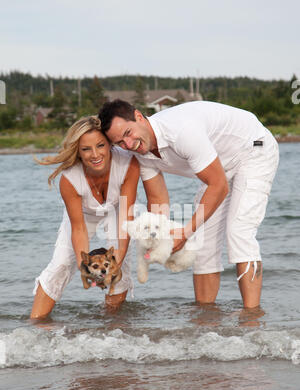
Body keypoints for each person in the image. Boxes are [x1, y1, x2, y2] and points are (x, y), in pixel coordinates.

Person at [98, 99, 279, 309]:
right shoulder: (140, 151)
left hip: (253, 150)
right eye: (120, 143)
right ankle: (205, 320)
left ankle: (252, 318)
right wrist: (161, 240)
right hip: (218, 166)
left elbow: (218, 186)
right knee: (201, 245)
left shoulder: (180, 131)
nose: (128, 145)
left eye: (128, 133)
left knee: (239, 232)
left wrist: (185, 233)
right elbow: (158, 201)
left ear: (139, 117)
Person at [30, 115, 140, 320]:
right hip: (83, 214)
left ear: (110, 145)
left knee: (119, 266)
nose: (95, 154)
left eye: (100, 145)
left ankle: (113, 325)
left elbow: (126, 216)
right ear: (78, 152)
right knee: (61, 264)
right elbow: (78, 228)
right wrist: (86, 266)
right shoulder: (70, 179)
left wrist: (115, 262)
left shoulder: (128, 165)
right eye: (86, 149)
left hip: (118, 211)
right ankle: (36, 324)